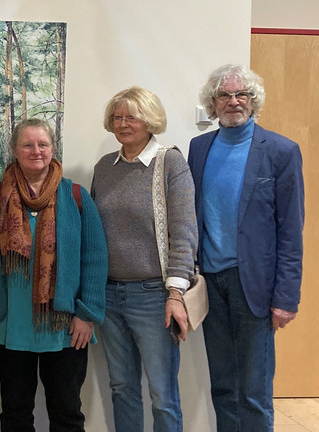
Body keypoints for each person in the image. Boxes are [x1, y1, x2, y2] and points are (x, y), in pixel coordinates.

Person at [0, 118, 108, 431]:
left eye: (42, 144)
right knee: (15, 414)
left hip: (65, 328)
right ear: (15, 151)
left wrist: (87, 315)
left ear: (53, 149)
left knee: (68, 413)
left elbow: (95, 259)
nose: (36, 151)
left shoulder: (75, 196)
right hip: (10, 326)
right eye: (27, 144)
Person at [188, 65, 304, 431]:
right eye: (225, 95)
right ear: (212, 103)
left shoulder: (282, 151)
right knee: (223, 386)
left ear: (254, 101)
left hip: (253, 285)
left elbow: (291, 230)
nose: (234, 101)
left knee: (253, 390)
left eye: (243, 95)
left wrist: (286, 297)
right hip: (211, 282)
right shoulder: (198, 148)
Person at [91, 87, 197, 432]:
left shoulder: (169, 163)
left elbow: (183, 231)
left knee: (163, 394)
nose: (123, 124)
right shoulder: (105, 167)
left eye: (132, 117)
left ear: (149, 120)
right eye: (118, 117)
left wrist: (176, 294)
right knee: (122, 388)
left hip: (154, 296)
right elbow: (94, 234)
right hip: (109, 295)